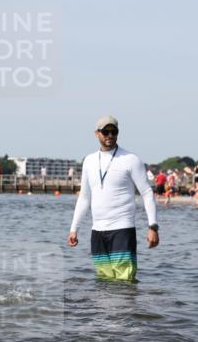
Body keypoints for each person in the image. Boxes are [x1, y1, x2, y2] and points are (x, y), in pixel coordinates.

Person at [67, 116, 159, 282]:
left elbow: (147, 192)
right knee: (104, 283)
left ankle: (126, 309)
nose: (109, 135)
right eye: (105, 131)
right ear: (97, 133)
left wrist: (153, 226)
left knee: (125, 282)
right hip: (97, 232)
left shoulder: (130, 159)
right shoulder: (89, 161)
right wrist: (74, 228)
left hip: (122, 230)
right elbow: (84, 197)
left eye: (113, 131)